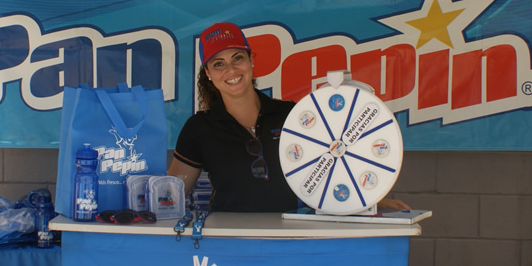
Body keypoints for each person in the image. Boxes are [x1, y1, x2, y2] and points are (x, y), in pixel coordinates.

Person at [166, 21, 408, 213]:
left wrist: (369, 200)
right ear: (208, 74)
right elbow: (172, 193)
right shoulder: (199, 127)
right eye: (218, 64)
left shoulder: (290, 114)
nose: (231, 69)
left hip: (289, 234)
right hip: (228, 239)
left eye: (237, 58)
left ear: (251, 60)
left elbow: (334, 157)